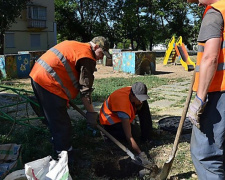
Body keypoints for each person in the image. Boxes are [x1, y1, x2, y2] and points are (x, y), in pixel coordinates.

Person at [29, 36, 111, 164]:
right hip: (48, 82)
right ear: (95, 47)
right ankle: (65, 159)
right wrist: (91, 114)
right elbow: (85, 92)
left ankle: (57, 144)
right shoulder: (87, 56)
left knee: (55, 119)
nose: (101, 57)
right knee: (62, 124)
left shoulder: (76, 46)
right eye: (102, 53)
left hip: (37, 75)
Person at [187, 0, 225, 179]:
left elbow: (210, 58)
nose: (198, 4)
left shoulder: (215, 12)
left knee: (205, 153)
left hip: (218, 92)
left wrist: (199, 100)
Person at [99, 82, 153, 166]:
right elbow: (129, 136)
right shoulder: (122, 106)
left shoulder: (135, 90)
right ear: (132, 95)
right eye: (139, 99)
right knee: (134, 133)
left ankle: (147, 138)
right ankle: (109, 136)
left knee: (144, 105)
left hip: (124, 111)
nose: (141, 101)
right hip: (110, 122)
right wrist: (140, 154)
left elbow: (140, 101)